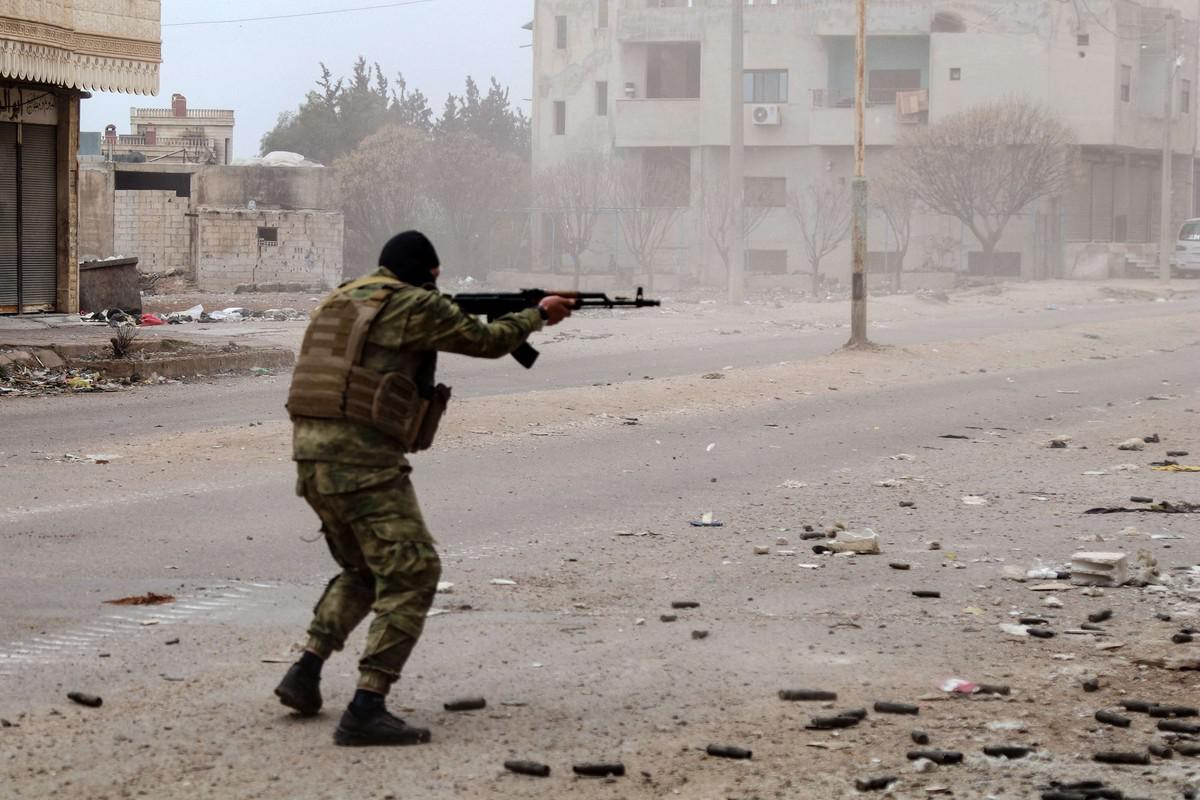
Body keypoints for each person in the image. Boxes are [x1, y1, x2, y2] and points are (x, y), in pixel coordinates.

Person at [274, 230, 573, 746]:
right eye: (434, 277)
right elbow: (488, 343)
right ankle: (367, 706)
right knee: (414, 571)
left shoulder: (342, 298)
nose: (436, 285)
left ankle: (305, 671)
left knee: (364, 570)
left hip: (311, 457)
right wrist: (537, 315)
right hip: (363, 462)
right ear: (423, 272)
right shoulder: (414, 305)